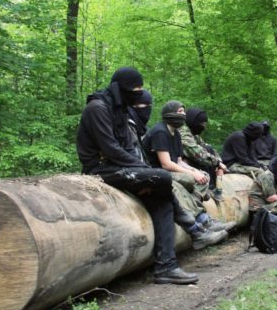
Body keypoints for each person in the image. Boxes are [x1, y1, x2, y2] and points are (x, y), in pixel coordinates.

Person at [76, 66, 198, 285]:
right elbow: (111, 149)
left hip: (120, 168)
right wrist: (145, 172)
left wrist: (142, 174)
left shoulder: (120, 109)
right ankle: (190, 223)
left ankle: (166, 267)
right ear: (119, 88)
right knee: (162, 177)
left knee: (161, 200)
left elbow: (126, 147)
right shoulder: (98, 108)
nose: (138, 95)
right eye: (135, 89)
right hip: (100, 170)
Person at [142, 100, 234, 249]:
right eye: (179, 112)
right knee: (185, 181)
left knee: (203, 176)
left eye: (184, 112)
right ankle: (201, 222)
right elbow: (166, 163)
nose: (183, 115)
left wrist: (194, 171)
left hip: (171, 168)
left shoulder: (176, 134)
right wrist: (190, 173)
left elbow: (178, 161)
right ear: (169, 113)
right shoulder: (160, 131)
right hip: (157, 171)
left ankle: (203, 220)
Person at [179, 107, 227, 202]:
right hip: (180, 165)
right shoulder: (183, 133)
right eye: (202, 124)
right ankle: (206, 189)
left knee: (208, 149)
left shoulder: (194, 134)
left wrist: (219, 162)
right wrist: (217, 163)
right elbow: (197, 154)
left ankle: (213, 187)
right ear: (194, 122)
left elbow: (206, 147)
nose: (204, 127)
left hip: (189, 164)